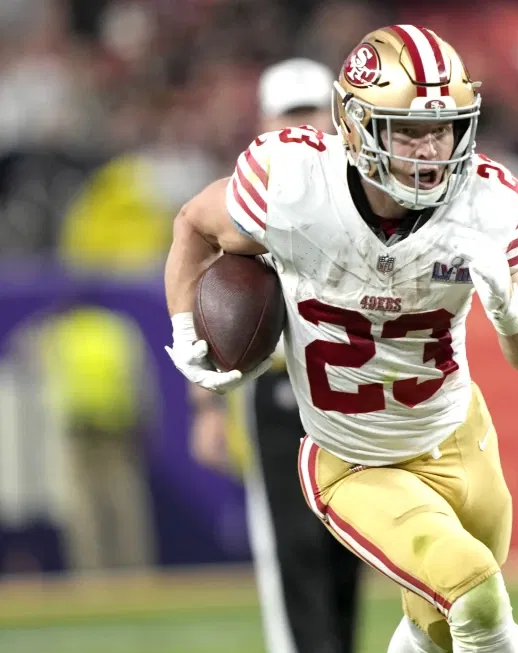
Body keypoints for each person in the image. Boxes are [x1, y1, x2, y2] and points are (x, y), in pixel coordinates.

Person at [165, 25, 518, 653]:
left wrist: (511, 316)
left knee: (434, 630)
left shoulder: (486, 205)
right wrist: (186, 327)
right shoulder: (294, 188)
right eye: (408, 130)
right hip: (353, 460)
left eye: (444, 128)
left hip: (459, 439)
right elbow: (193, 223)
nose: (430, 150)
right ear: (355, 125)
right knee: (477, 596)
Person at [188, 58, 362, 653]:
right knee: (293, 550)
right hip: (281, 387)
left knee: (353, 548)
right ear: (264, 120)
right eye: (292, 112)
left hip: (352, 388)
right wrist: (207, 404)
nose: (305, 122)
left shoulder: (359, 190)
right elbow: (209, 302)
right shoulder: (246, 197)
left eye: (314, 108)